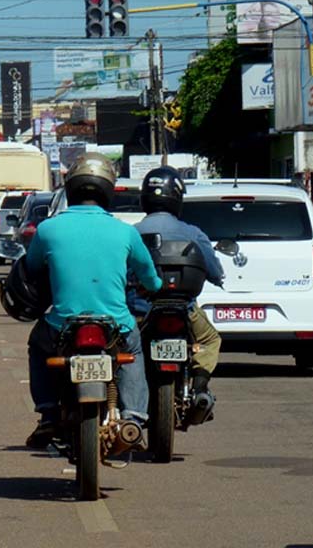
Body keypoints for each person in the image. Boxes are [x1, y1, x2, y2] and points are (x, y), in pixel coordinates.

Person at [24, 153, 162, 448]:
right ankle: (134, 417)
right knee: (134, 351)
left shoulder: (48, 229)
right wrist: (155, 287)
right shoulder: (126, 231)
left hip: (61, 325)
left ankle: (48, 414)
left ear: (71, 190)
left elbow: (32, 268)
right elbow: (150, 279)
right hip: (117, 326)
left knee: (37, 344)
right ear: (108, 192)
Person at [132, 166, 224, 421]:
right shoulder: (193, 233)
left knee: (127, 352)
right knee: (210, 340)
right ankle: (200, 388)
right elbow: (215, 271)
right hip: (185, 310)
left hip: (140, 311)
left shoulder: (132, 232)